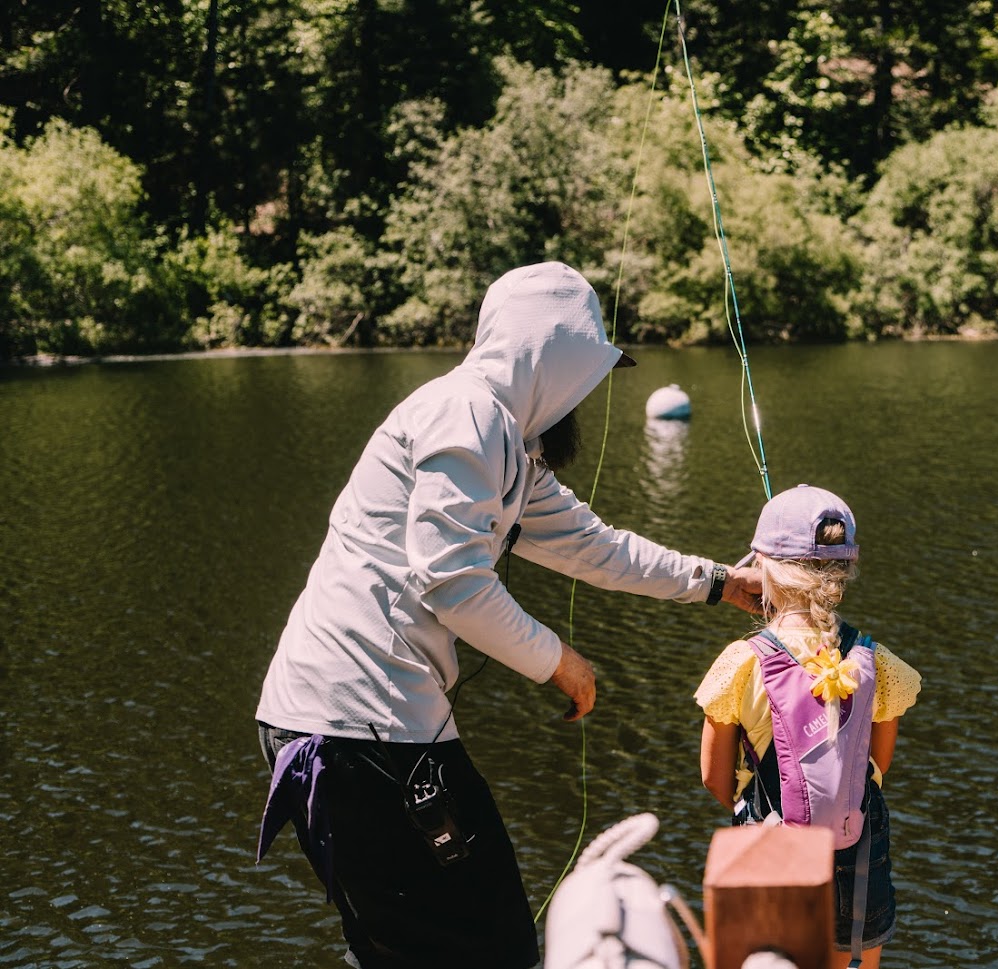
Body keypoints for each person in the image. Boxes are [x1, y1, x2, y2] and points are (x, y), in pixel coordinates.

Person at [254, 261, 760, 969]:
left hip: (370, 729)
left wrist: (718, 582)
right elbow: (453, 580)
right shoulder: (466, 413)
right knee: (484, 944)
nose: (586, 395)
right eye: (587, 371)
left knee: (450, 945)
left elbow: (596, 547)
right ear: (550, 359)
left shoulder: (509, 448)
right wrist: (561, 661)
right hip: (352, 731)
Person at [694, 485, 920, 969]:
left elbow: (714, 779)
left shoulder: (742, 663)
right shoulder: (875, 661)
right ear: (844, 571)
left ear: (762, 569)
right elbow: (878, 765)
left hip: (773, 840)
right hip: (856, 840)